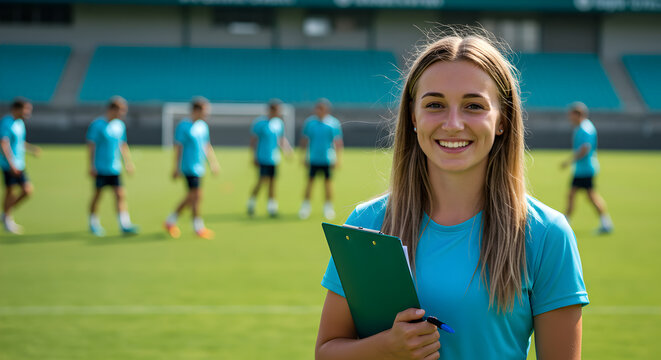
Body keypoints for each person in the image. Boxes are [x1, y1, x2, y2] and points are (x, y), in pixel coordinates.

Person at [316, 30, 589, 360]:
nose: (453, 123)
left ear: (502, 120)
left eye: (474, 105)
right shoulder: (367, 223)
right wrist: (386, 348)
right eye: (435, 105)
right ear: (413, 117)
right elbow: (327, 352)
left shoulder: (546, 234)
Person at [164, 97, 220, 239]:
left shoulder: (203, 126)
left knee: (194, 197)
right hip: (188, 166)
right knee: (195, 196)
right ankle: (189, 225)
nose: (207, 114)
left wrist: (213, 163)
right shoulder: (184, 126)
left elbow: (206, 146)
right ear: (196, 110)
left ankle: (179, 222)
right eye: (205, 111)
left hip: (199, 166)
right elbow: (178, 148)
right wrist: (176, 167)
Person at [86, 96, 139, 236]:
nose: (123, 113)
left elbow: (122, 145)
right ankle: (93, 222)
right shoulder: (97, 125)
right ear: (112, 109)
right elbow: (91, 146)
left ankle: (124, 224)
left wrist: (128, 162)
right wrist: (91, 165)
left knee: (120, 195)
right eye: (121, 110)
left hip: (114, 168)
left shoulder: (119, 126)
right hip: (100, 167)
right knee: (98, 195)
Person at [561, 102, 613, 234]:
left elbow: (585, 148)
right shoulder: (581, 127)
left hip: (585, 169)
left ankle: (566, 222)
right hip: (583, 169)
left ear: (578, 114)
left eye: (571, 115)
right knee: (587, 195)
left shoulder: (585, 129)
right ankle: (605, 222)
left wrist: (569, 161)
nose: (570, 118)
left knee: (576, 194)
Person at [0, 97, 41, 234]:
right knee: (10, 191)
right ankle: (7, 218)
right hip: (9, 164)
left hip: (19, 163)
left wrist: (31, 149)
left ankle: (5, 214)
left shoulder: (20, 123)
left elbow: (19, 143)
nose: (28, 112)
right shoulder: (7, 122)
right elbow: (4, 143)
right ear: (17, 109)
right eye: (26, 109)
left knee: (27, 191)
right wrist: (10, 163)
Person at [298, 99, 343, 220]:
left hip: (327, 159)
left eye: (321, 108)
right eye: (317, 108)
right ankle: (305, 207)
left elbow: (337, 142)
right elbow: (305, 140)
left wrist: (338, 159)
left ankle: (328, 207)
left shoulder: (333, 123)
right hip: (313, 158)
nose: (318, 111)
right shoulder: (310, 123)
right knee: (310, 183)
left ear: (326, 110)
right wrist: (302, 156)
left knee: (327, 183)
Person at [247, 99, 292, 217]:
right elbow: (253, 141)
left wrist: (287, 150)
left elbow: (281, 139)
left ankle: (271, 207)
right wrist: (253, 156)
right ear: (271, 110)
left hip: (274, 158)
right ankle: (251, 202)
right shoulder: (260, 123)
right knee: (261, 181)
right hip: (262, 157)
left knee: (273, 182)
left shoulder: (278, 123)